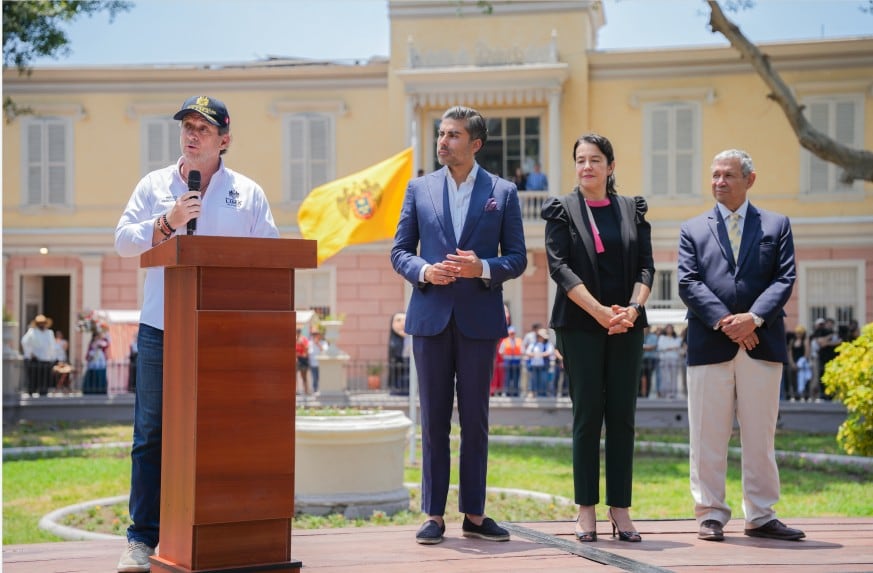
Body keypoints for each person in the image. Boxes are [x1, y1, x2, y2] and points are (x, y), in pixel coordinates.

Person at [114, 95, 280, 572]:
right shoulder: (154, 185)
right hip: (161, 328)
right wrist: (167, 222)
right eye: (187, 126)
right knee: (150, 434)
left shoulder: (247, 193)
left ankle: (218, 532)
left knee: (222, 431)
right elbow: (123, 241)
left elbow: (267, 258)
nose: (192, 134)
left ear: (224, 140)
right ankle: (140, 540)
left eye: (203, 129)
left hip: (224, 334)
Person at [391, 105, 527, 545]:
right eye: (441, 133)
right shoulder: (418, 188)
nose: (443, 141)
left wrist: (482, 268)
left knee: (476, 420)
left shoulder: (502, 193)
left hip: (479, 321)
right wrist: (425, 272)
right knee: (433, 420)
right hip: (430, 318)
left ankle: (474, 513)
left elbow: (517, 258)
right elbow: (400, 252)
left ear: (475, 144)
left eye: (453, 135)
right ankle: (433, 515)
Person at [678, 148, 805, 543]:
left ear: (749, 179)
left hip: (762, 343)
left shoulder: (776, 225)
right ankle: (710, 513)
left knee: (760, 435)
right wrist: (727, 322)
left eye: (728, 175)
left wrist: (753, 319)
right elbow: (688, 282)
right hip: (708, 345)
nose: (719, 182)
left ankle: (762, 515)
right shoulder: (692, 229)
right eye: (715, 175)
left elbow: (784, 279)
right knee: (706, 436)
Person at [542, 132, 654, 543]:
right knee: (587, 416)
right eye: (580, 160)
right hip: (580, 325)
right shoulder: (562, 210)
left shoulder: (632, 209)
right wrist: (600, 312)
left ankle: (620, 509)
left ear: (610, 165)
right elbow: (560, 268)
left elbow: (646, 267)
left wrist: (633, 309)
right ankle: (585, 509)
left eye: (594, 159)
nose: (586, 166)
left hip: (627, 323)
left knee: (622, 417)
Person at [20, 314, 56, 396]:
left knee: (45, 377)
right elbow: (25, 342)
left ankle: (43, 391)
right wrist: (30, 353)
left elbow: (52, 346)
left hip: (46, 359)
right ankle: (32, 390)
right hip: (35, 358)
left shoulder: (49, 333)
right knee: (34, 377)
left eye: (43, 323)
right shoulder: (32, 332)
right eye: (40, 323)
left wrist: (53, 357)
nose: (42, 324)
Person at [525, 328, 554, 397]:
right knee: (533, 380)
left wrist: (537, 354)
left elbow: (549, 352)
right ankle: (533, 393)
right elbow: (528, 353)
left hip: (543, 366)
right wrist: (538, 354)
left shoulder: (548, 344)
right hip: (534, 366)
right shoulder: (533, 344)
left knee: (543, 380)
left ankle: (542, 394)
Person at [656, 324, 682, 399]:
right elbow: (661, 347)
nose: (669, 330)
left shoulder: (677, 338)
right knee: (665, 376)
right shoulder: (662, 337)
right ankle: (665, 393)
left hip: (674, 359)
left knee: (674, 377)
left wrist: (668, 348)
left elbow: (678, 346)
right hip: (664, 359)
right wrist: (672, 348)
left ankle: (673, 393)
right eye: (668, 328)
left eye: (671, 328)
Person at [387, 312, 410, 395]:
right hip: (398, 376)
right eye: (398, 320)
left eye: (405, 320)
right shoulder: (394, 342)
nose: (402, 323)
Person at [498, 325, 524, 397]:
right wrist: (505, 357)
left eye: (513, 333)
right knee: (507, 378)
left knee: (516, 378)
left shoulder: (519, 341)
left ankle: (516, 393)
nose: (512, 335)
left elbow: (522, 351)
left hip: (516, 361)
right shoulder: (505, 341)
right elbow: (501, 352)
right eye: (510, 333)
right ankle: (507, 392)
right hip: (508, 361)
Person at [785, 325, 808, 401]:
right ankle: (793, 395)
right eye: (797, 333)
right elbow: (790, 352)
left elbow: (806, 353)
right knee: (792, 380)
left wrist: (801, 363)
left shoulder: (805, 341)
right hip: (793, 362)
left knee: (802, 379)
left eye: (800, 333)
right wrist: (792, 363)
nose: (799, 334)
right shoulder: (792, 341)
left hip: (801, 363)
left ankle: (802, 396)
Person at [640, 326, 659, 398]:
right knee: (640, 376)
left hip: (650, 359)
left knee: (648, 376)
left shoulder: (653, 337)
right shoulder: (641, 335)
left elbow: (652, 347)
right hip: (641, 359)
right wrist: (645, 347)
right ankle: (640, 393)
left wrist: (643, 347)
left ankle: (647, 394)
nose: (645, 329)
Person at [295, 328, 311, 395]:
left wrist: (301, 343)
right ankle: (296, 391)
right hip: (296, 359)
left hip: (303, 359)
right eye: (297, 332)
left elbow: (307, 350)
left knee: (304, 376)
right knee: (294, 376)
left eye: (298, 332)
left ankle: (306, 391)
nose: (297, 334)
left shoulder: (304, 339)